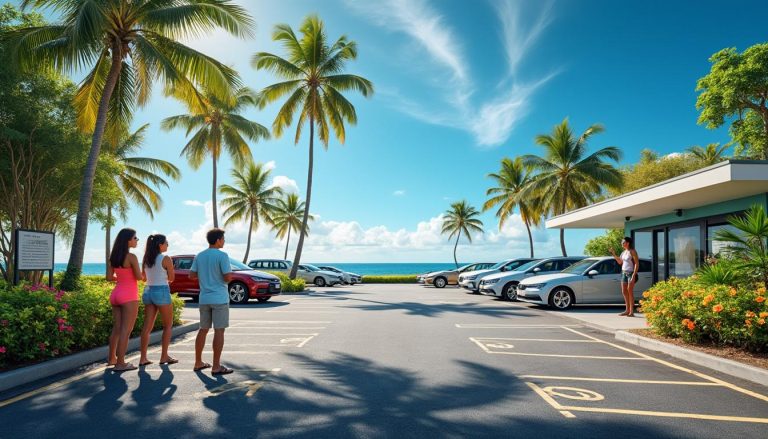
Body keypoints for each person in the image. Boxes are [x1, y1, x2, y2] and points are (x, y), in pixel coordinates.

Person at [190, 228, 234, 375]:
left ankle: (198, 362)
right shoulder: (222, 256)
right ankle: (216, 366)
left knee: (203, 329)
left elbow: (191, 275)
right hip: (219, 298)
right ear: (217, 240)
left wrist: (205, 276)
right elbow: (227, 278)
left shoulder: (200, 256)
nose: (224, 241)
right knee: (219, 331)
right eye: (223, 239)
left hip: (204, 298)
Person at [138, 234, 178, 367]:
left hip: (148, 291)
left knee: (147, 327)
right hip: (161, 291)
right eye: (166, 243)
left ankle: (143, 358)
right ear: (160, 245)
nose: (168, 245)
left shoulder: (146, 259)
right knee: (167, 325)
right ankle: (164, 356)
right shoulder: (166, 258)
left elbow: (143, 278)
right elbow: (171, 278)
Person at [106, 228, 142, 371]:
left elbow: (109, 278)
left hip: (116, 294)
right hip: (128, 295)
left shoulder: (113, 257)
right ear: (128, 240)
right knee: (126, 330)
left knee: (117, 328)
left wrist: (122, 277)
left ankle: (112, 359)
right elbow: (139, 277)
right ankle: (120, 363)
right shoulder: (131, 257)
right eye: (135, 238)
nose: (136, 240)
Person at [609, 236, 640, 317]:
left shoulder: (632, 251)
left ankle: (631, 312)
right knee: (624, 292)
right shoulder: (623, 252)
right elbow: (620, 262)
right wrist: (613, 254)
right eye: (622, 243)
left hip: (631, 273)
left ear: (627, 243)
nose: (622, 244)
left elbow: (637, 263)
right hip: (623, 273)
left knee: (630, 291)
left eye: (623, 242)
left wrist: (634, 274)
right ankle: (627, 310)